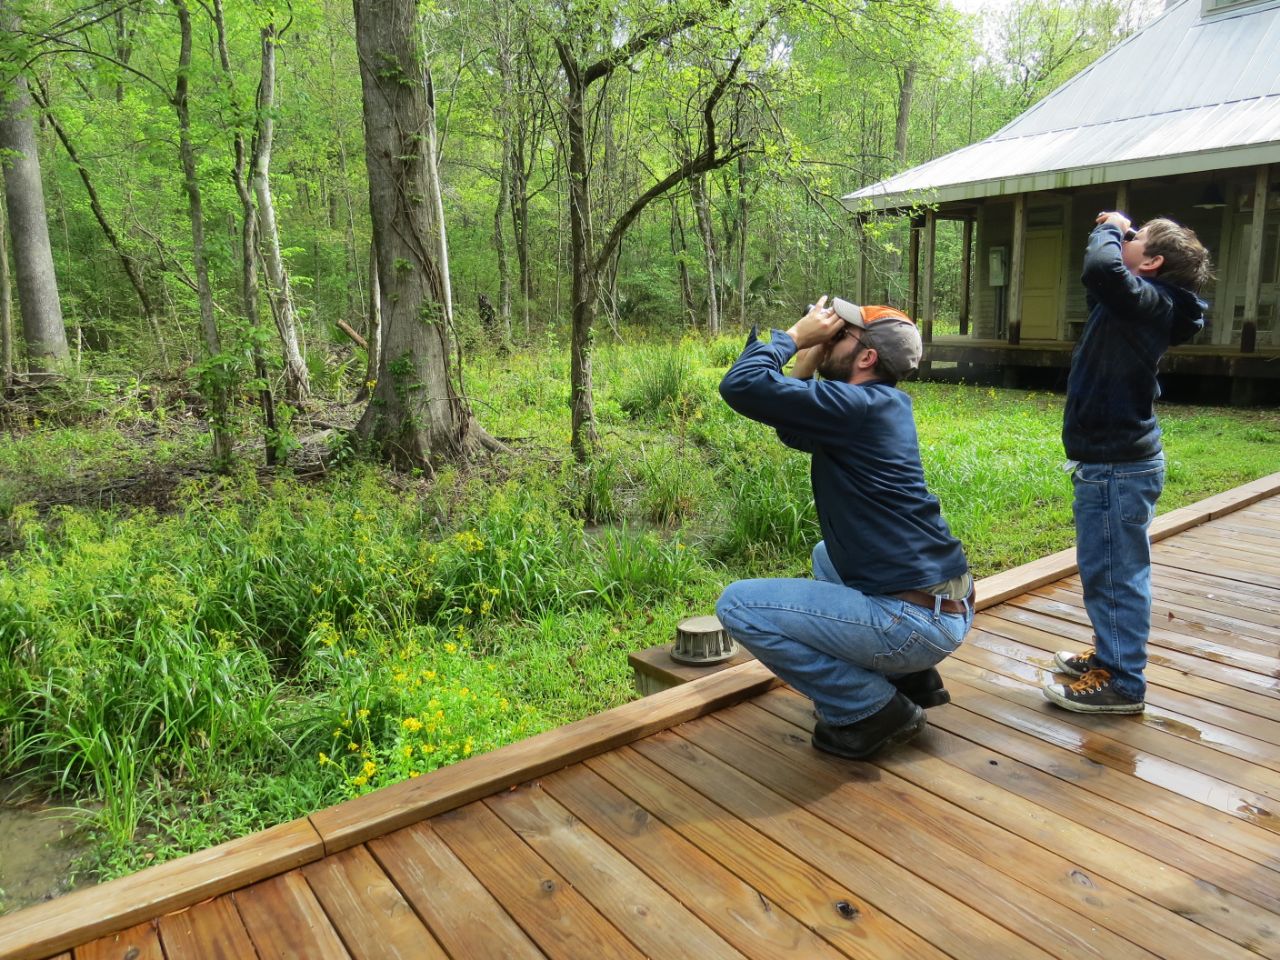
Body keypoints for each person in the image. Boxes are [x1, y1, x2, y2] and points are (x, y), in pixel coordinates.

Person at [715, 296, 973, 760]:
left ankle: (868, 709)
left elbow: (742, 385)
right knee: (824, 554)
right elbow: (793, 431)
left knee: (738, 606)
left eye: (839, 336)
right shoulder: (876, 406)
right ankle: (909, 676)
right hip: (941, 605)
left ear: (866, 357)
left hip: (915, 621)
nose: (828, 336)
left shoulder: (857, 408)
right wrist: (813, 358)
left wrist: (794, 338)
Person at [1044, 212, 1211, 714]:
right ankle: (1111, 655)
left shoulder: (1151, 302)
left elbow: (1100, 268)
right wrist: (1120, 238)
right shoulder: (1135, 304)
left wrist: (1111, 225)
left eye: (1134, 240)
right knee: (1106, 569)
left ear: (1153, 262)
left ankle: (1122, 682)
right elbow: (1103, 280)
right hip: (1110, 462)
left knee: (1116, 574)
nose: (1124, 242)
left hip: (1119, 466)